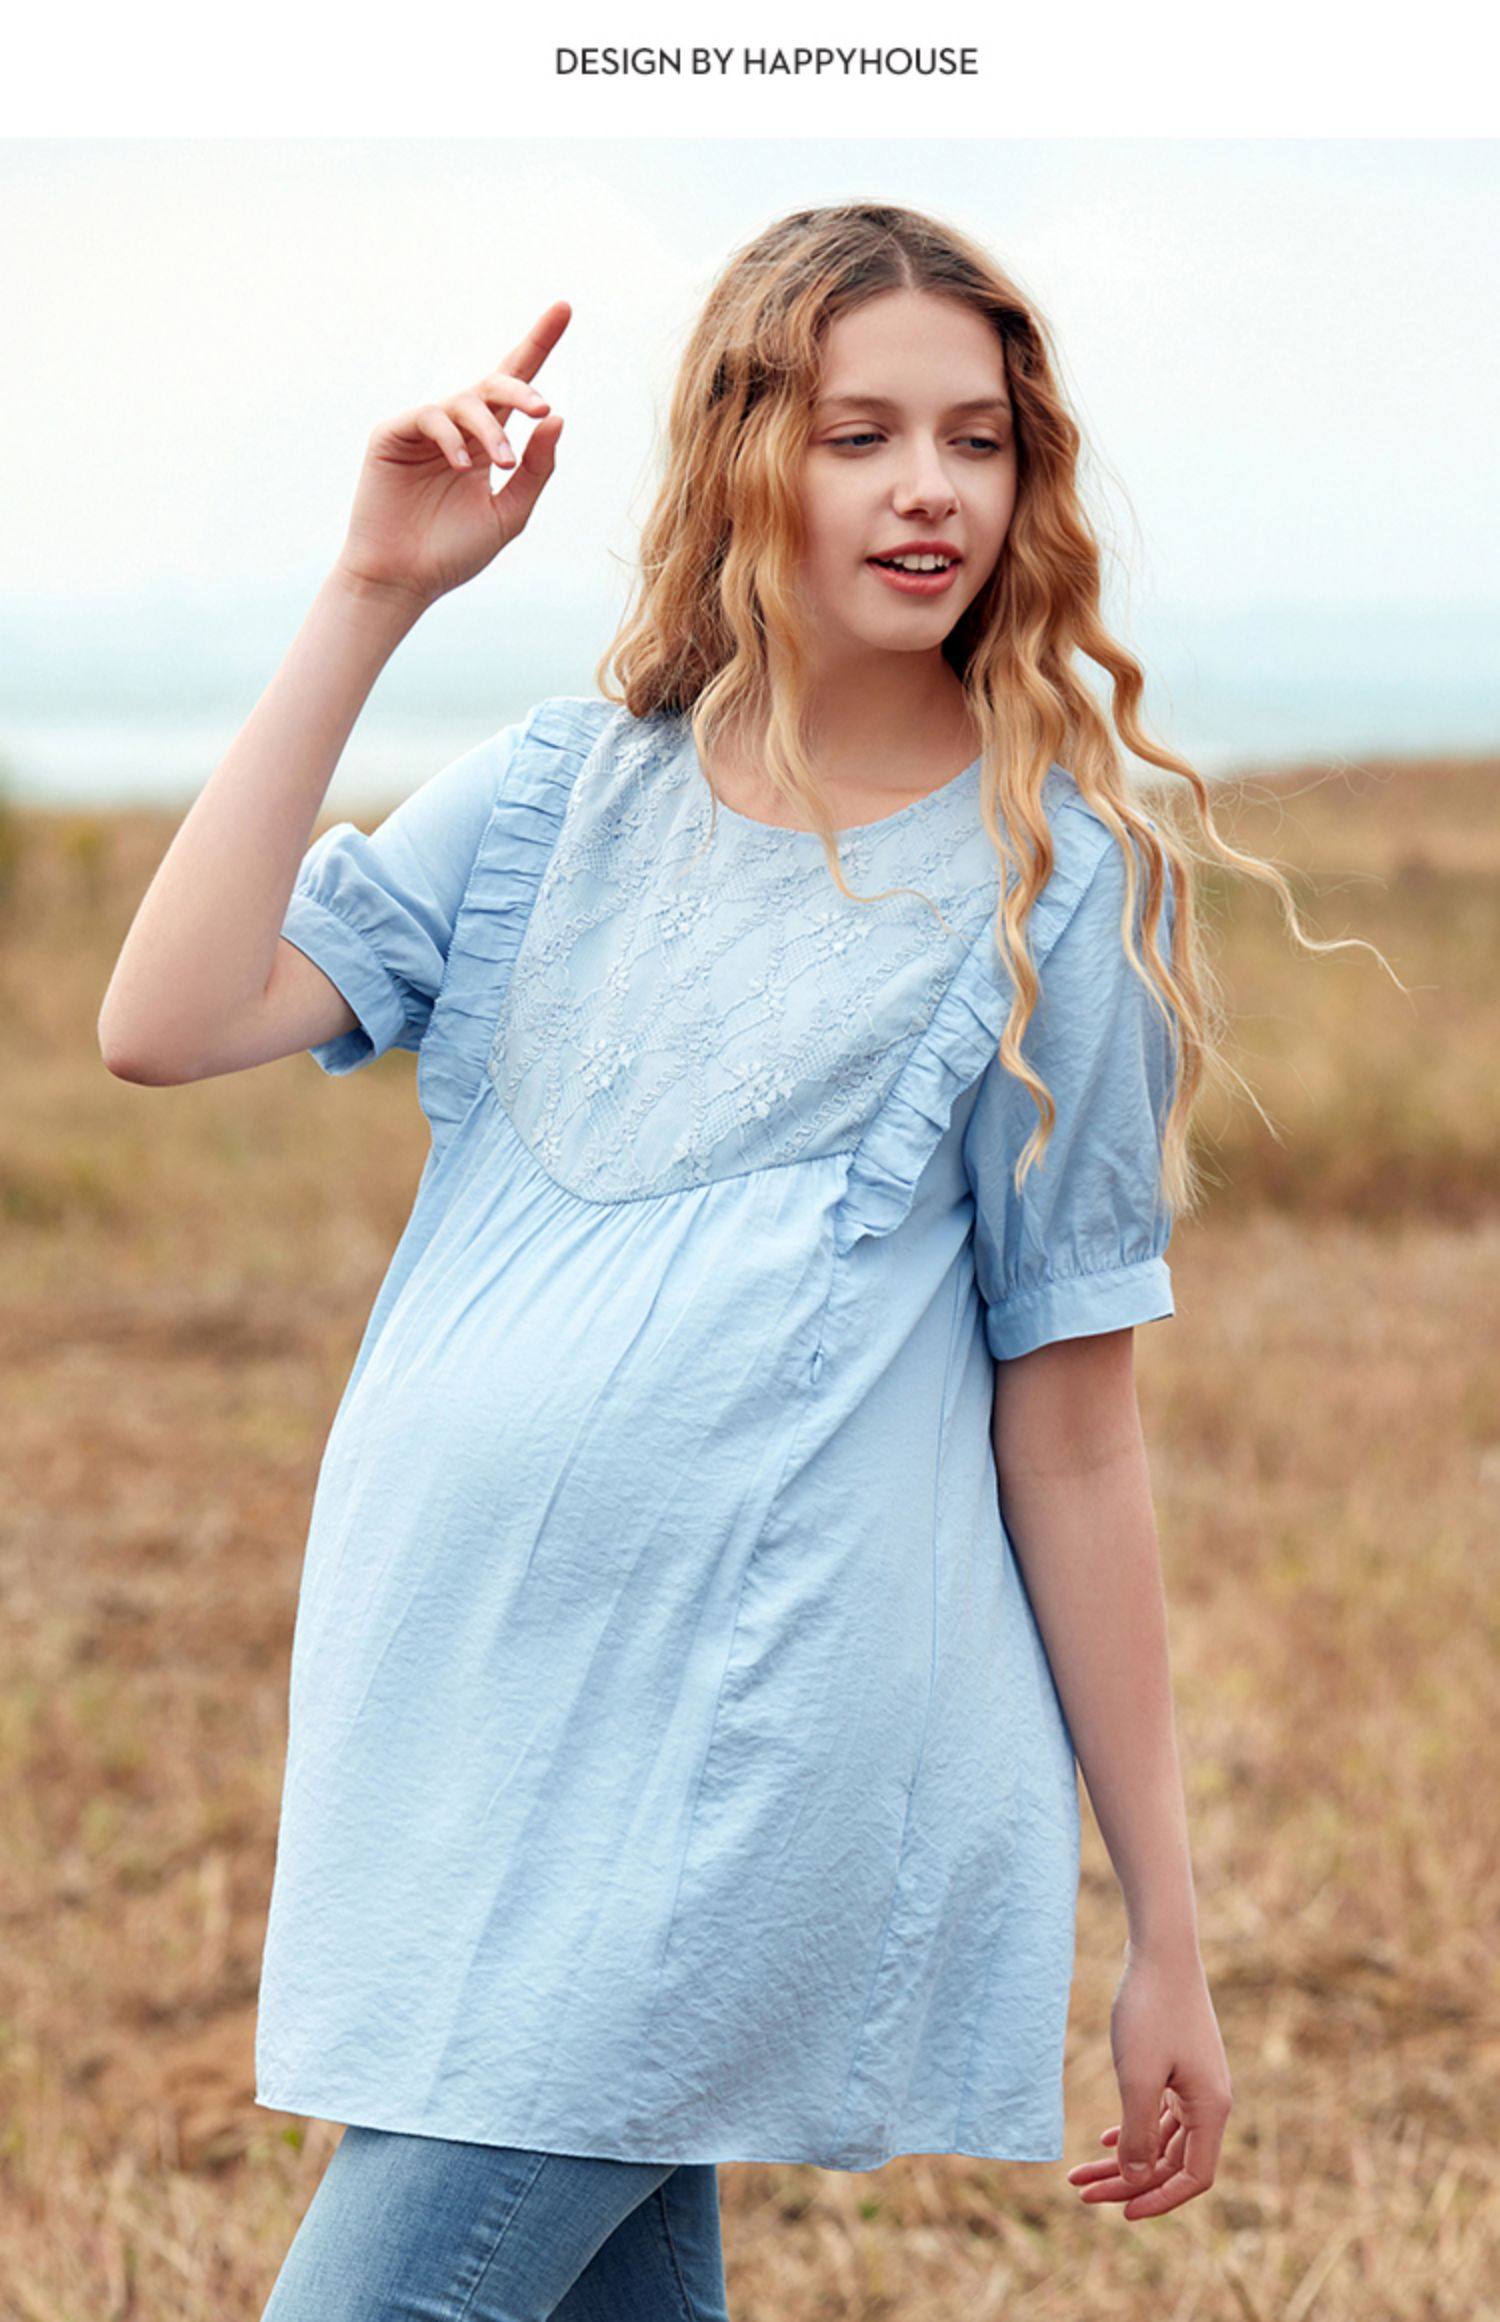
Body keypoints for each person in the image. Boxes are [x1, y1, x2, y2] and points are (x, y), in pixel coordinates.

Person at [100, 198, 1321, 2319]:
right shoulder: (556, 793)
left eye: (977, 439)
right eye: (861, 435)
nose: (931, 489)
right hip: (473, 1725)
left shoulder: (1053, 886)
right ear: (746, 455)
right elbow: (165, 1016)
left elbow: (1076, 1435)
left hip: (741, 1761)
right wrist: (372, 590)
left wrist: (1168, 1927)